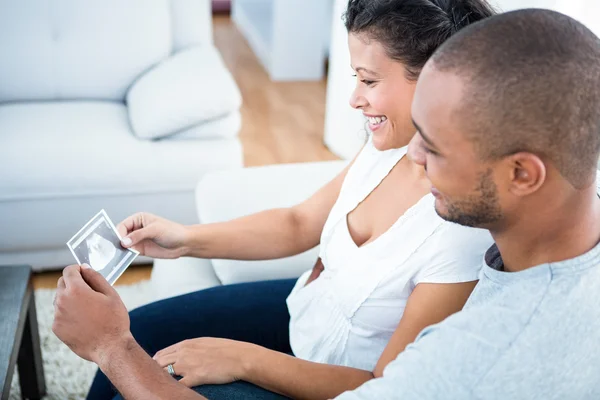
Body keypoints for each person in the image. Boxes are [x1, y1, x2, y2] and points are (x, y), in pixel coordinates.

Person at [52, 7, 600, 400]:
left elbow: (384, 381)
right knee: (140, 338)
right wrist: (186, 238)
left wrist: (110, 347)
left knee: (126, 367)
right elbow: (301, 221)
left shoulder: (463, 362)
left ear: (523, 173)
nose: (412, 153)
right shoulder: (523, 214)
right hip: (310, 321)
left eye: (433, 147)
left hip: (335, 372)